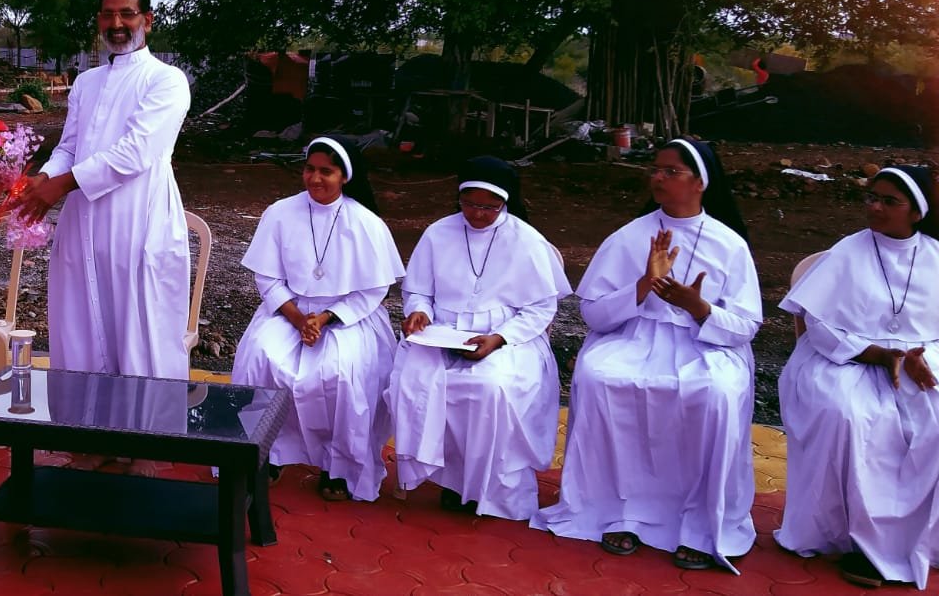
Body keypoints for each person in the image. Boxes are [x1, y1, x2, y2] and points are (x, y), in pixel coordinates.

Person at [532, 137, 762, 573]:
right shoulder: (630, 236)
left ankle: (699, 526)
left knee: (715, 392)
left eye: (671, 171)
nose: (658, 177)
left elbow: (746, 326)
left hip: (703, 344)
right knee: (600, 377)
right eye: (655, 169)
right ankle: (616, 513)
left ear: (700, 182)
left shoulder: (729, 244)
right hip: (633, 338)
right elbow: (593, 313)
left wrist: (697, 306)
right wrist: (643, 285)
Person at [17, 0, 192, 379]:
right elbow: (70, 146)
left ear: (147, 20)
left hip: (138, 220)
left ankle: (145, 417)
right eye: (108, 15)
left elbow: (136, 152)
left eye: (127, 14)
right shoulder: (86, 82)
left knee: (140, 334)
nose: (117, 24)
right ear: (98, 20)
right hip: (82, 223)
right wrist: (41, 177)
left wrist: (59, 186)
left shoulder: (166, 80)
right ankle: (84, 414)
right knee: (80, 326)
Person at [775, 164, 939, 589]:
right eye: (871, 197)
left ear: (916, 212)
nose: (875, 207)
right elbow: (819, 327)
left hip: (921, 365)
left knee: (934, 423)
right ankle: (857, 542)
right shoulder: (847, 252)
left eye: (889, 201)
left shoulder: (936, 257)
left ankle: (919, 539)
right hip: (847, 360)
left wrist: (922, 360)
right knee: (849, 416)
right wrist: (880, 355)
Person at [389, 156, 571, 520]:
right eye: (469, 204)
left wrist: (499, 338)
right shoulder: (438, 233)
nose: (477, 214)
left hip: (508, 338)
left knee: (489, 388)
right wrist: (420, 311)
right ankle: (452, 481)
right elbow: (419, 290)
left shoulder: (526, 240)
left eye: (489, 208)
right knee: (413, 380)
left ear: (504, 202)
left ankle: (487, 488)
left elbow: (539, 310)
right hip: (442, 332)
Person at [232, 137, 404, 501]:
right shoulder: (280, 213)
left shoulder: (365, 222)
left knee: (343, 373)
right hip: (288, 310)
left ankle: (339, 467)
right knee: (261, 357)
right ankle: (265, 453)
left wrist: (324, 319)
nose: (315, 178)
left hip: (347, 316)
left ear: (345, 176)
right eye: (309, 169)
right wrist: (298, 319)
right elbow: (268, 278)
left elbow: (373, 290)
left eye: (327, 171)